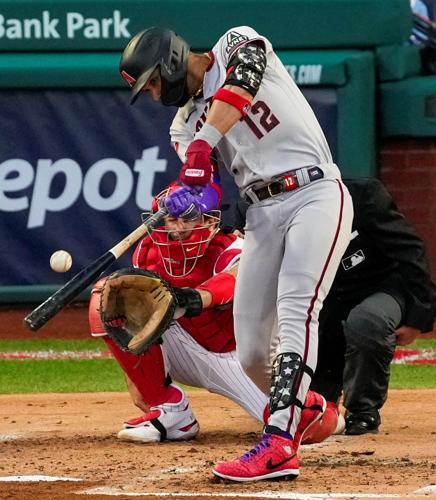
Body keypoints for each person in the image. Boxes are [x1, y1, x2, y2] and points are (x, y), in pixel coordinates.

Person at [119, 25, 353, 482]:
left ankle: (280, 444)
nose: (152, 93)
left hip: (314, 192)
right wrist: (188, 195)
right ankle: (300, 409)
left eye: (151, 82)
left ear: (169, 62)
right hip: (261, 213)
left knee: (296, 310)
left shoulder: (234, 44)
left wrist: (205, 144)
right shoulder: (182, 125)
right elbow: (206, 187)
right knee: (250, 354)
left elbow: (240, 85)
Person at [88, 187, 338, 445]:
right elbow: (133, 321)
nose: (179, 227)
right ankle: (171, 411)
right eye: (172, 219)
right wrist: (134, 379)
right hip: (184, 346)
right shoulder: (148, 252)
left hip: (239, 356)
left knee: (306, 428)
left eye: (188, 218)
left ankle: (328, 411)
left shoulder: (231, 246)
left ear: (209, 220)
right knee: (107, 296)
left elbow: (238, 278)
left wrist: (197, 297)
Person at [235, 177, 436, 435]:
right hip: (326, 302)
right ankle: (309, 406)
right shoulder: (263, 208)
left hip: (380, 287)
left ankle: (363, 411)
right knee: (315, 406)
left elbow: (410, 251)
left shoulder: (362, 194)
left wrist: (418, 317)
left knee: (367, 321)